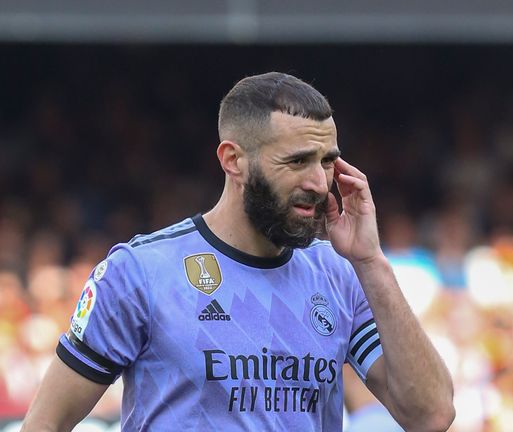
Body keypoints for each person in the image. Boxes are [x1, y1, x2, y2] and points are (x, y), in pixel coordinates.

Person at [21, 72, 455, 431]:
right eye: (298, 161)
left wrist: (370, 261)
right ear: (233, 160)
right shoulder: (139, 274)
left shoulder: (340, 275)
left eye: (327, 161)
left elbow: (431, 415)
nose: (321, 184)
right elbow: (45, 424)